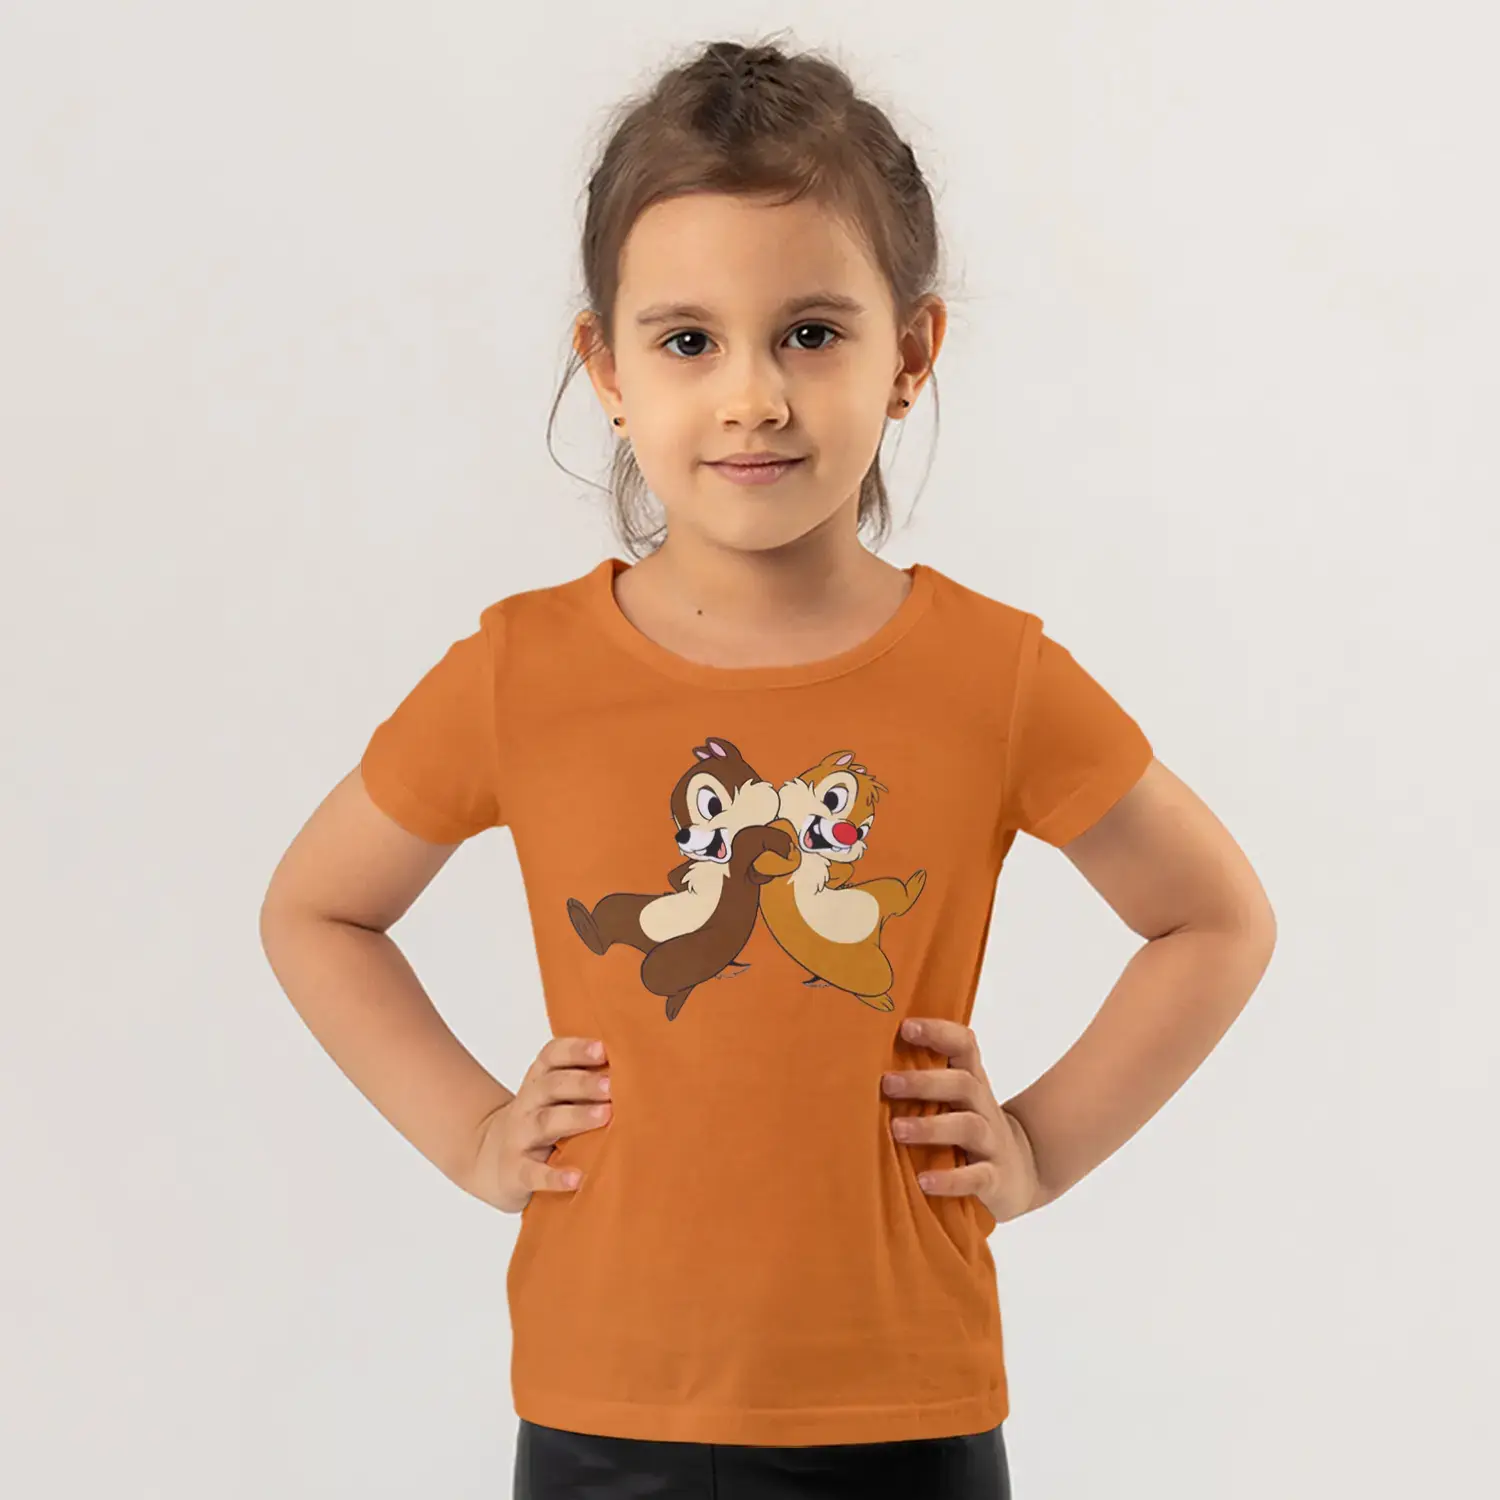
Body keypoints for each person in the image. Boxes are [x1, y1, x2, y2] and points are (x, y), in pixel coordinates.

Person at [258, 34, 1277, 1500]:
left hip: (904, 1408)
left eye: (808, 331)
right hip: (605, 1406)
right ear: (606, 369)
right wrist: (474, 1134)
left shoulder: (993, 676)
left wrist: (1039, 1149)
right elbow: (317, 909)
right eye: (689, 340)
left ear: (909, 355)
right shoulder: (519, 671)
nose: (752, 396)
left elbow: (1214, 918)